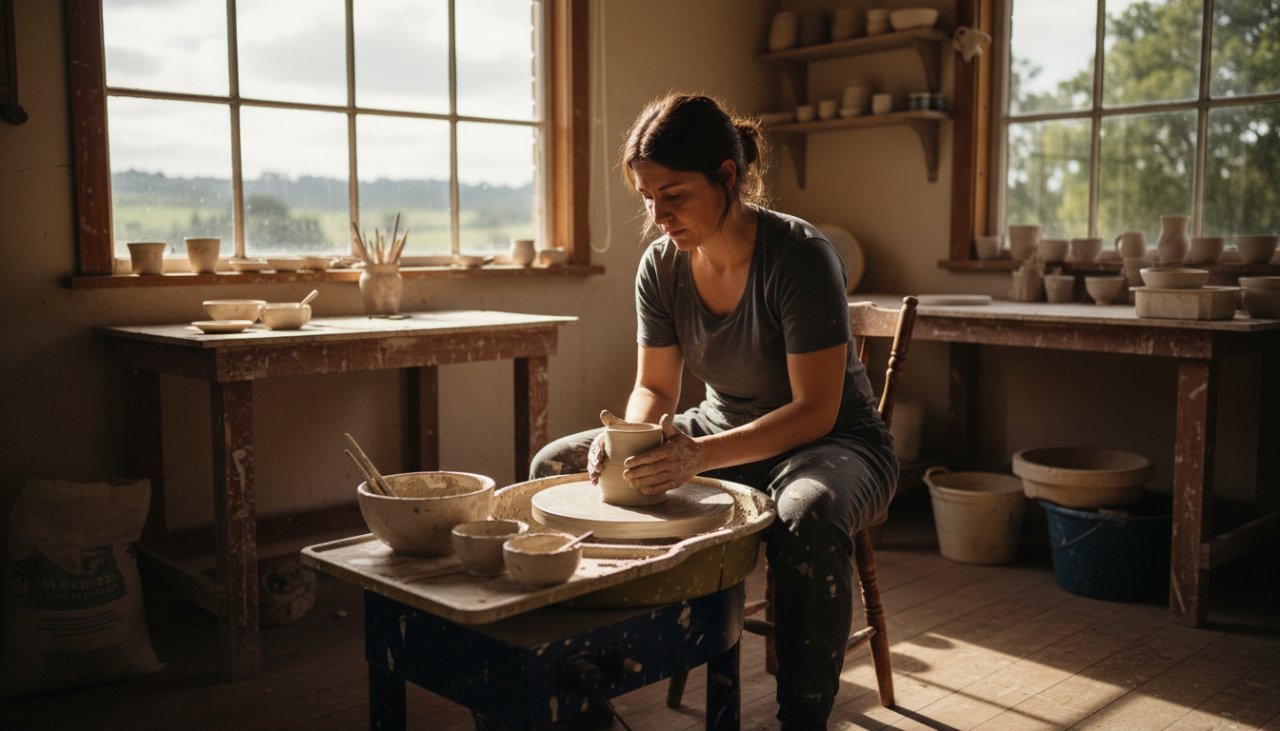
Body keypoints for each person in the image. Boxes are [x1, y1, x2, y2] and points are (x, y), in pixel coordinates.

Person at [530, 93, 898, 729]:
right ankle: (582, 699)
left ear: (727, 175)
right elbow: (656, 388)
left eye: (673, 194)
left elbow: (814, 410)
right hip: (722, 431)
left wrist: (695, 457)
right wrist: (628, 437)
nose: (658, 214)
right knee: (555, 463)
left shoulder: (800, 256)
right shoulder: (662, 266)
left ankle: (802, 720)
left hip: (835, 445)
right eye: (647, 197)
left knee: (805, 514)